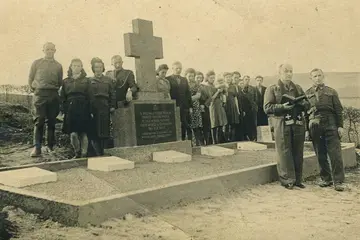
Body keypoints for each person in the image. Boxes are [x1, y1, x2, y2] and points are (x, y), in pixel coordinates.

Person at [264, 64, 310, 189]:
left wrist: (303, 104)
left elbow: (307, 104)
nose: (289, 74)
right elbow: (267, 108)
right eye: (286, 71)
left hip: (297, 123)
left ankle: (298, 179)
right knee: (284, 151)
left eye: (291, 71)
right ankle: (287, 180)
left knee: (298, 151)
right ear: (279, 73)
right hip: (282, 122)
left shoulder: (298, 88)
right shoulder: (273, 89)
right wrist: (282, 107)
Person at [305, 68, 345, 191]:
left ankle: (338, 181)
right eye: (315, 76)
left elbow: (338, 110)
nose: (318, 78)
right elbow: (305, 114)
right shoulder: (307, 93)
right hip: (315, 126)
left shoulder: (331, 92)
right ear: (311, 78)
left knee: (335, 154)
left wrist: (340, 126)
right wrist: (307, 130)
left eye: (319, 75)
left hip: (331, 124)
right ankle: (326, 179)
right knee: (320, 153)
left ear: (323, 76)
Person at [28, 42, 63, 157]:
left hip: (53, 95)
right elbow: (30, 78)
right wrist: (37, 91)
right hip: (40, 95)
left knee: (52, 122)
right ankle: (37, 147)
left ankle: (50, 147)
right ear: (43, 50)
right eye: (47, 49)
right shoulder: (36, 63)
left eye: (52, 49)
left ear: (55, 51)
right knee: (39, 121)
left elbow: (59, 81)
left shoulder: (58, 66)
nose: (49, 51)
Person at [59, 59, 93, 158]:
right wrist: (63, 111)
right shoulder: (65, 81)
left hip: (83, 108)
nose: (76, 67)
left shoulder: (87, 80)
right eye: (74, 65)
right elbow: (62, 97)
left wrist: (90, 111)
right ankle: (77, 152)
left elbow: (90, 97)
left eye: (79, 66)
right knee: (73, 134)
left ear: (82, 67)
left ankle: (84, 154)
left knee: (83, 133)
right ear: (71, 67)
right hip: (70, 108)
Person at [88, 58, 115, 156]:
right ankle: (96, 153)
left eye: (100, 67)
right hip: (93, 106)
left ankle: (104, 151)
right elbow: (87, 95)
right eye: (96, 67)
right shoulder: (89, 80)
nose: (98, 69)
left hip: (104, 106)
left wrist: (112, 106)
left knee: (104, 130)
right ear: (93, 69)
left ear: (103, 68)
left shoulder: (108, 80)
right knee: (94, 130)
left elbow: (112, 94)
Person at [167, 61, 193, 141]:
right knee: (175, 124)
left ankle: (186, 142)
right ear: (173, 69)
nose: (178, 70)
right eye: (177, 68)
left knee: (185, 125)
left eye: (180, 68)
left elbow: (188, 93)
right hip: (174, 106)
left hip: (184, 106)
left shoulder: (184, 79)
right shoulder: (168, 79)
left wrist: (190, 106)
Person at [185, 68, 204, 146]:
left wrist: (188, 99)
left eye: (192, 76)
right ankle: (189, 144)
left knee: (197, 126)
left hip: (195, 106)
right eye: (189, 76)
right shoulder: (184, 84)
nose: (191, 78)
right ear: (186, 76)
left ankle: (198, 143)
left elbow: (198, 95)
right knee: (188, 125)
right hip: (186, 107)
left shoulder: (196, 84)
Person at [224, 72, 241, 142]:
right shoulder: (222, 86)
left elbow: (235, 98)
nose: (228, 78)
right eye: (227, 77)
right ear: (224, 78)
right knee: (226, 124)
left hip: (233, 106)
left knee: (233, 123)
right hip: (225, 106)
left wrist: (237, 109)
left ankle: (232, 139)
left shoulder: (233, 87)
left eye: (230, 77)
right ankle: (225, 139)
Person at [240, 75, 258, 141]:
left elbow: (256, 99)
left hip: (252, 109)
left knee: (253, 124)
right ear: (243, 80)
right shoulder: (240, 89)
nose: (247, 81)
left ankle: (254, 137)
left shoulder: (253, 88)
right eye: (245, 79)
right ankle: (246, 137)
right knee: (246, 124)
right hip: (245, 109)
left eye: (248, 79)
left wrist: (255, 107)